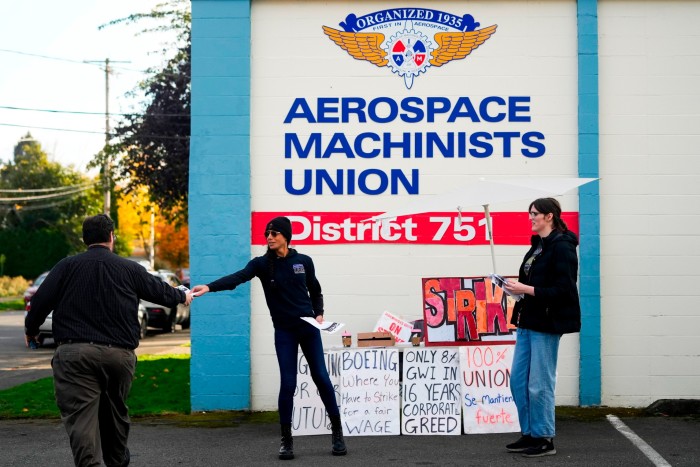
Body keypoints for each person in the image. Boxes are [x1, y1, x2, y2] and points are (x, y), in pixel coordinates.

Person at [25, 214, 194, 467]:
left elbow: (39, 302)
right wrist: (183, 296)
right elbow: (162, 292)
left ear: (84, 239)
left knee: (81, 419)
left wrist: (32, 329)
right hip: (119, 355)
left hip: (74, 355)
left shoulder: (66, 266)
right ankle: (117, 461)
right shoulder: (130, 269)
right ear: (112, 237)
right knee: (115, 413)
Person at [192, 216, 347, 460]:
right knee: (288, 383)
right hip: (284, 331)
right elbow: (237, 278)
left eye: (274, 233)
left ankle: (337, 433)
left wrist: (319, 314)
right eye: (267, 234)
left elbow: (315, 291)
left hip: (308, 329)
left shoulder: (304, 261)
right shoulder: (262, 265)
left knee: (321, 377)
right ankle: (286, 441)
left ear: (286, 235)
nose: (269, 237)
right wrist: (209, 287)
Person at [503, 198, 581, 458]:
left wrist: (526, 289)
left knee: (540, 384)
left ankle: (545, 439)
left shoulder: (562, 246)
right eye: (530, 214)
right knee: (518, 382)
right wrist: (515, 290)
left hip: (546, 324)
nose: (531, 218)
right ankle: (530, 434)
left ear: (549, 216)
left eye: (534, 214)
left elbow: (564, 290)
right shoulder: (538, 246)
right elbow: (532, 285)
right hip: (527, 321)